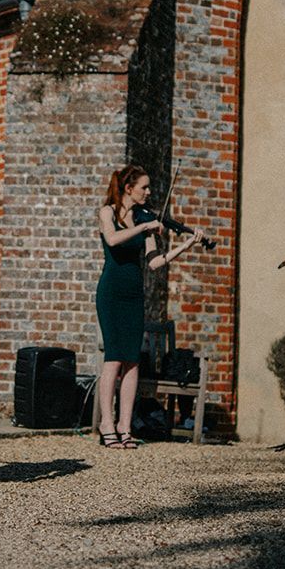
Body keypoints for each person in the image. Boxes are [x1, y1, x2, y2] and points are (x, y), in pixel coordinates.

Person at [95, 164, 198, 449]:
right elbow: (113, 240)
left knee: (132, 360)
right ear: (129, 188)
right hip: (111, 293)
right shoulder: (109, 212)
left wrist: (185, 245)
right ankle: (107, 424)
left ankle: (125, 426)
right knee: (114, 358)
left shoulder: (145, 218)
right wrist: (144, 226)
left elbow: (155, 262)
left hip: (133, 295)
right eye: (144, 187)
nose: (149, 192)